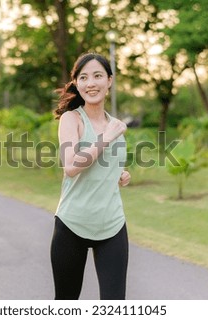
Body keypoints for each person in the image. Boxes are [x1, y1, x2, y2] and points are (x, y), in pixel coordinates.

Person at [50, 52, 131, 300]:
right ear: (76, 83)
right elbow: (71, 166)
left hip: (112, 225)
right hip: (72, 224)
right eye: (83, 77)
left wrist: (120, 174)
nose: (90, 83)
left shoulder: (114, 124)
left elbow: (107, 164)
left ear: (109, 81)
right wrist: (106, 137)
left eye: (97, 76)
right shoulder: (71, 119)